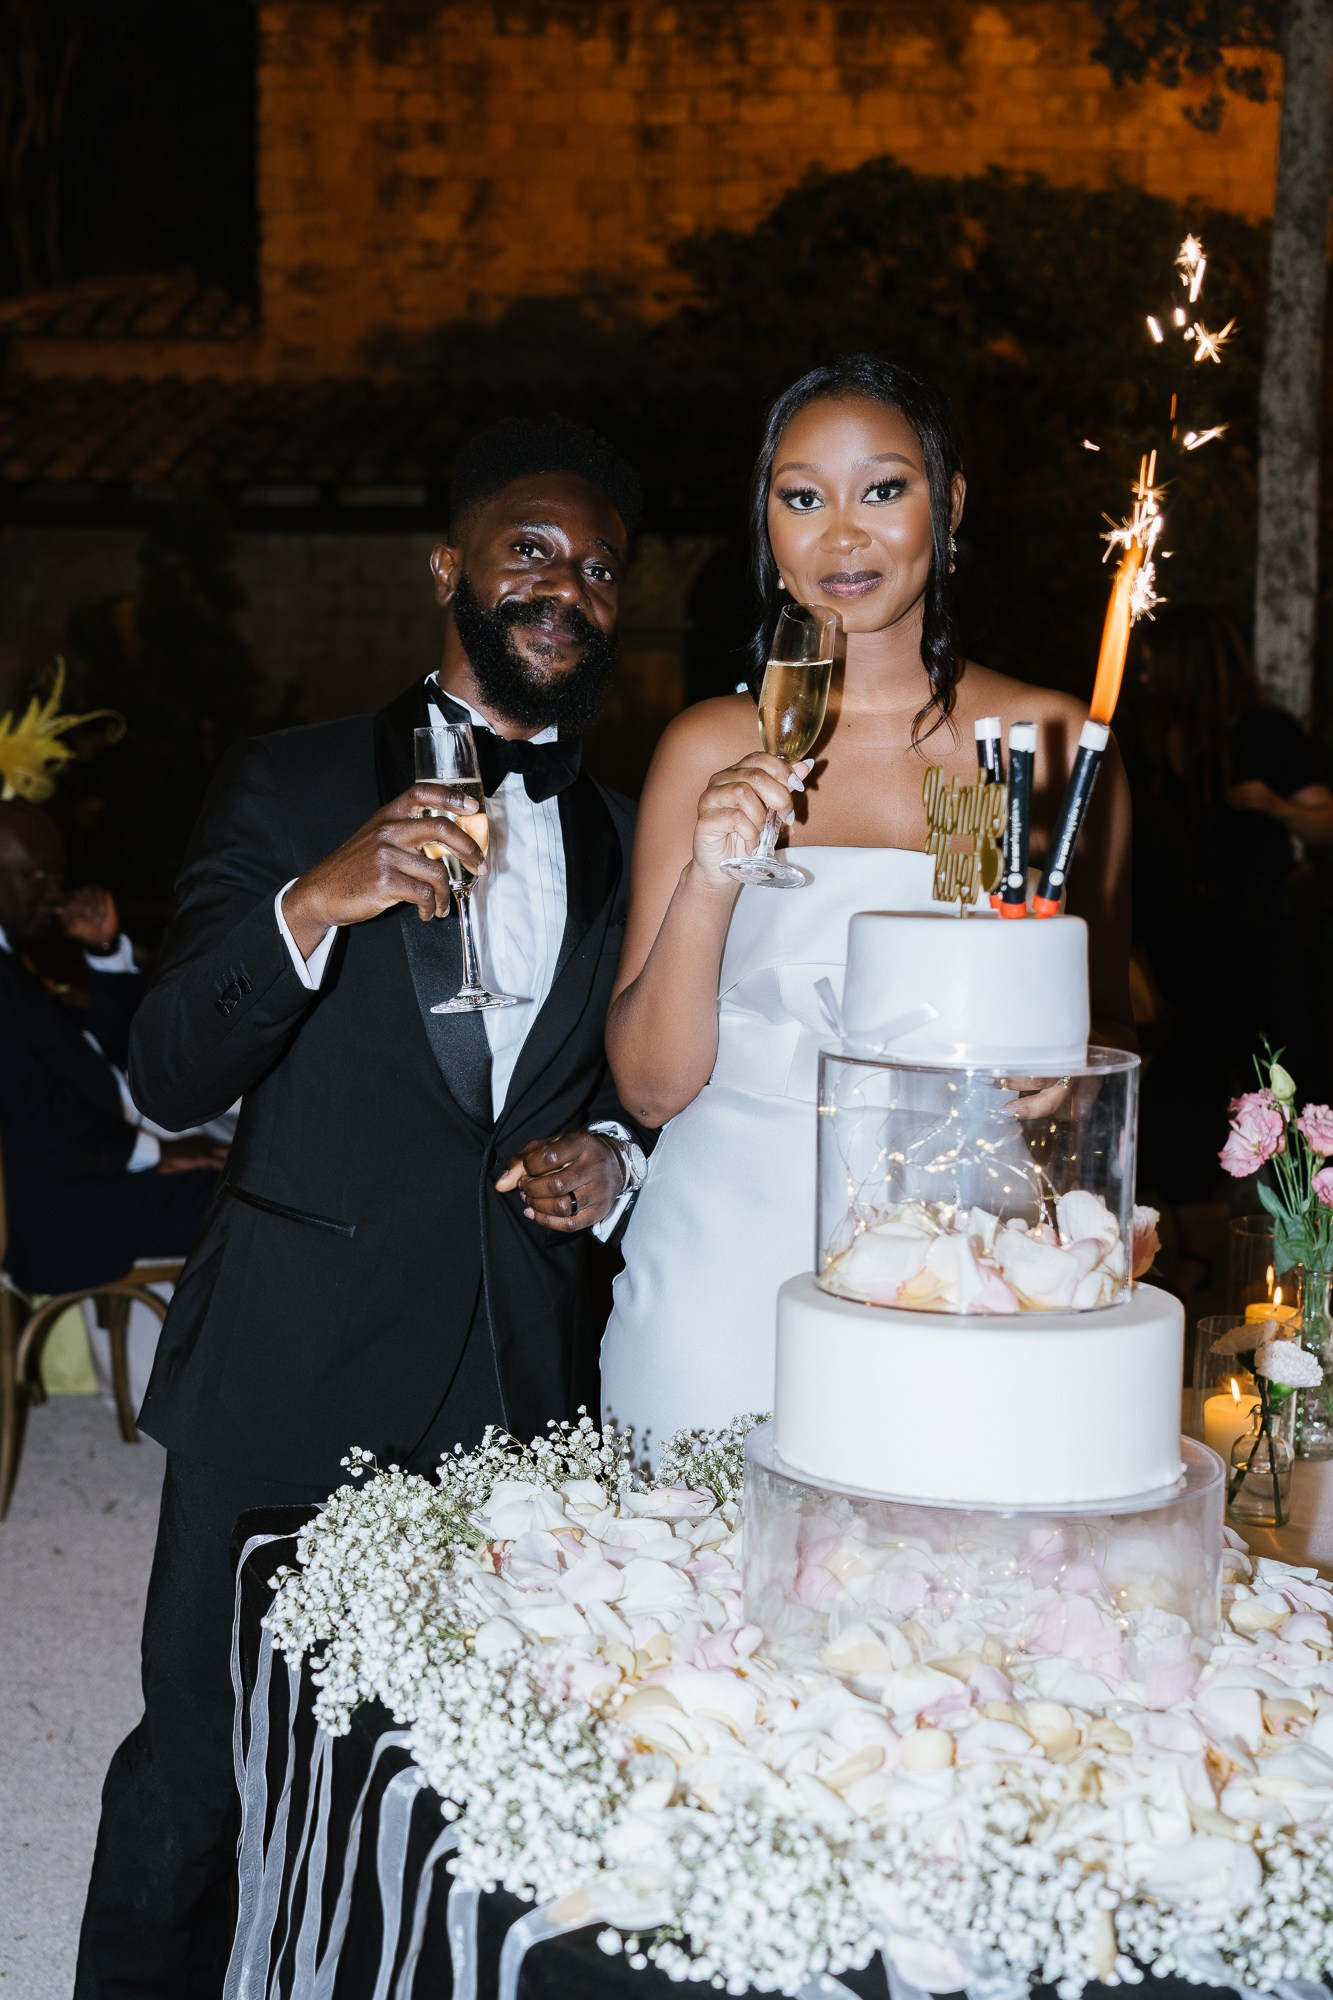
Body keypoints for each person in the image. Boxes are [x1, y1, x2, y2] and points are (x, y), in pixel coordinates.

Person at [76, 417, 651, 1999]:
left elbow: (634, 1077)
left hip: (513, 1377)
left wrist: (612, 1158)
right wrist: (317, 900)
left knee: (451, 1786)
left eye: (603, 568)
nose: (569, 588)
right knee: (201, 1763)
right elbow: (168, 1072)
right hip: (293, 1359)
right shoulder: (293, 779)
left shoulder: (619, 831)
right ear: (448, 567)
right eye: (531, 551)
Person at [600, 355, 1133, 1452]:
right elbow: (650, 1089)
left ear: (952, 502)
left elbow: (1105, 1045)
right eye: (802, 498)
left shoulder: (1045, 745)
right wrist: (710, 875)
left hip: (961, 1267)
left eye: (883, 489)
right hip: (720, 1267)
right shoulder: (707, 747)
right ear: (766, 525)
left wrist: (1063, 1078)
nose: (842, 536)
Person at [1123, 602, 1333, 1204]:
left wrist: (1275, 805)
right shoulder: (1150, 741)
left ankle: (1300, 1220)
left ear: (1188, 665)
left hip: (1257, 941)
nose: (1144, 676)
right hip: (1182, 946)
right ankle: (1182, 1230)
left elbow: (1324, 822)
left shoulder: (1264, 732)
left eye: (1153, 663)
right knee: (1180, 1097)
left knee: (1281, 1084)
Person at [0, 800, 224, 1295]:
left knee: (254, 1163)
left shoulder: (11, 964)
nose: (55, 894)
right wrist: (154, 1153)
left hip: (89, 1179)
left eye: (58, 877)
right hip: (70, 1215)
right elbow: (33, 1110)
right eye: (38, 877)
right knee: (267, 1196)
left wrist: (103, 951)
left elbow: (106, 1054)